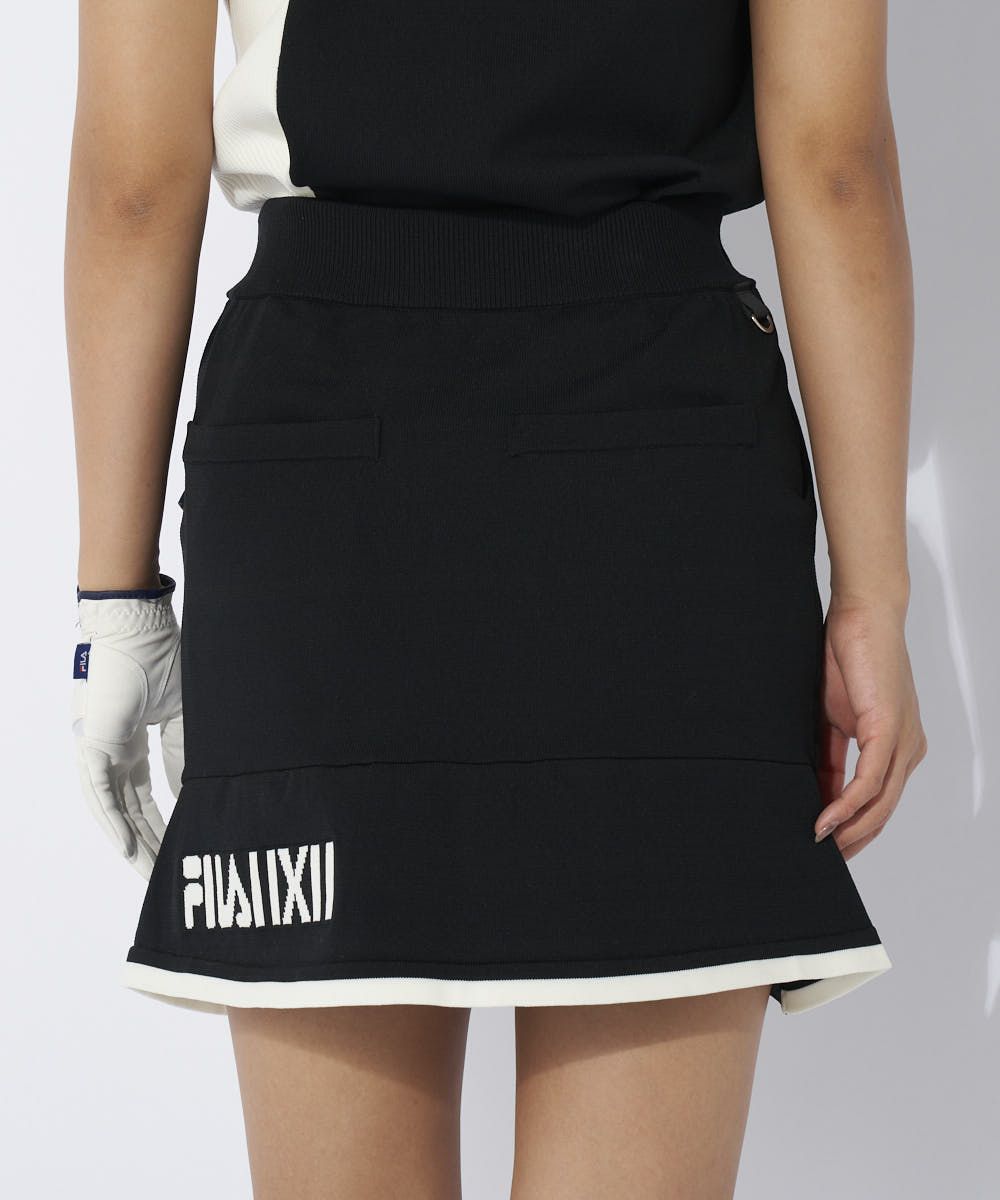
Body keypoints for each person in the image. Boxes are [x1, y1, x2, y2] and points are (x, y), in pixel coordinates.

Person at [66, 1, 927, 1196]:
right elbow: (832, 160)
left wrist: (115, 607)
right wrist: (871, 594)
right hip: (663, 475)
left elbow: (133, 183)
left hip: (323, 482)